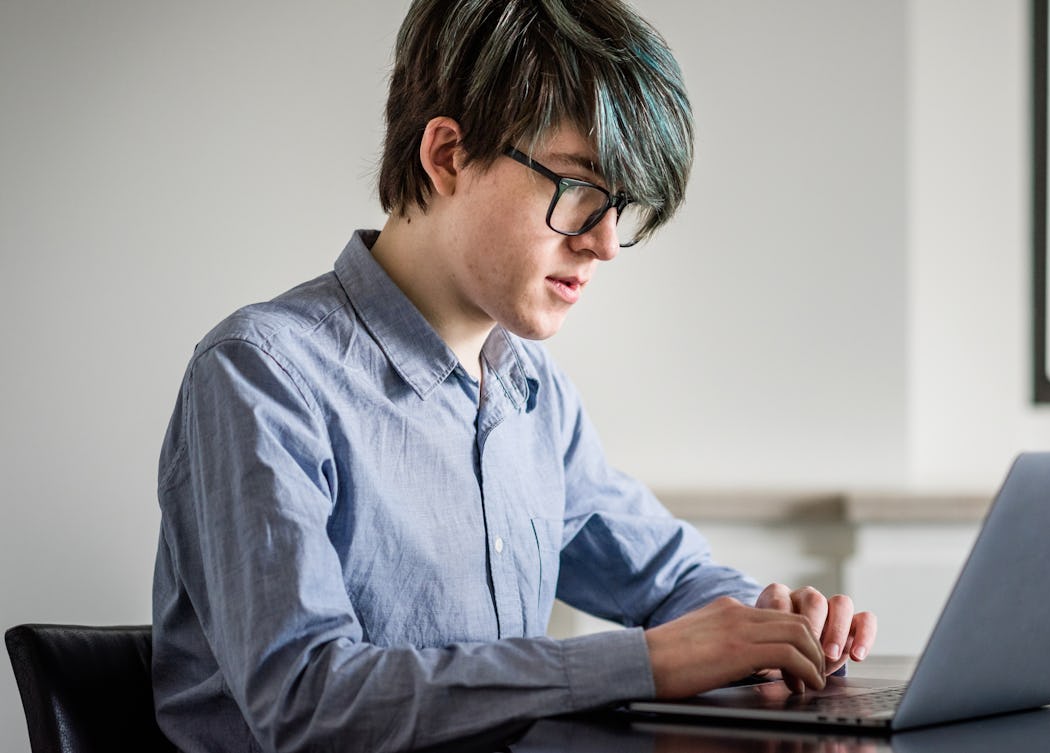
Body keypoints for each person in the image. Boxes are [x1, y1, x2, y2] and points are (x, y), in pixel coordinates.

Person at [151, 1, 876, 750]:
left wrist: (775, 623)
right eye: (578, 189)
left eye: (619, 205)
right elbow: (308, 702)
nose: (605, 243)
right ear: (447, 156)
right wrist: (647, 661)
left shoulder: (533, 391)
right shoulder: (262, 375)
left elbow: (666, 576)